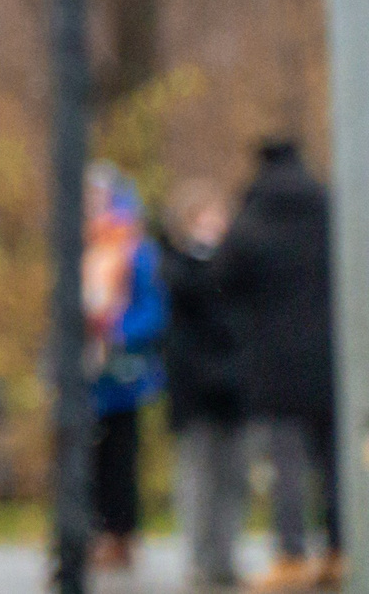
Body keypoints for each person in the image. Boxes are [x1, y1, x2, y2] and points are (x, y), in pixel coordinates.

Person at [221, 138, 341, 591]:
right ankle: (338, 547)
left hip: (274, 360)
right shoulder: (328, 208)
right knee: (335, 458)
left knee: (286, 461)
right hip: (331, 358)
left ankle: (291, 553)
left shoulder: (254, 216)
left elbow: (223, 278)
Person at [158, 178, 247, 593]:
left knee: (233, 476)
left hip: (233, 390)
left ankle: (224, 556)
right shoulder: (179, 270)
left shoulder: (237, 270)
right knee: (198, 475)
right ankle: (199, 557)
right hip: (196, 392)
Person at [82, 163, 166, 572]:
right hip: (87, 370)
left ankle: (123, 534)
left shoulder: (136, 250)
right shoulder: (82, 246)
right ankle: (94, 533)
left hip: (123, 367)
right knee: (87, 455)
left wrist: (119, 332)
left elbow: (153, 308)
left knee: (121, 455)